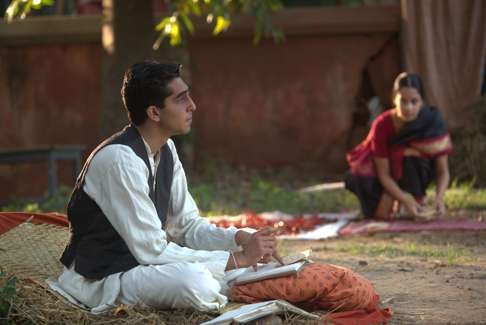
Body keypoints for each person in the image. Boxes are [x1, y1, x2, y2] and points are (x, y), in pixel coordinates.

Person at [50, 61, 281, 313]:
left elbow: (187, 226)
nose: (192, 105)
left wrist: (239, 238)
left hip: (145, 266)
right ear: (154, 113)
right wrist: (239, 259)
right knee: (195, 282)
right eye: (181, 99)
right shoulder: (118, 160)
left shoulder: (166, 149)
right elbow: (153, 250)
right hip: (104, 279)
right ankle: (236, 289)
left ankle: (240, 279)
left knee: (251, 259)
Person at [345, 72, 453, 219]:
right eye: (403, 101)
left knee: (411, 154)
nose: (408, 108)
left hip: (416, 172)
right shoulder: (382, 125)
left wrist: (439, 198)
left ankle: (417, 198)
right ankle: (401, 200)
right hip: (383, 176)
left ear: (422, 102)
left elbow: (443, 171)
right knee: (379, 214)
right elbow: (383, 174)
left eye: (414, 102)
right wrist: (403, 197)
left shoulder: (432, 123)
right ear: (394, 98)